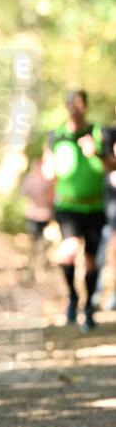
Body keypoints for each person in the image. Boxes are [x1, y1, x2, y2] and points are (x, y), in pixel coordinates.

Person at [42, 90, 107, 332]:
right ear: (66, 106)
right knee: (68, 252)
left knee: (91, 260)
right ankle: (72, 297)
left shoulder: (100, 133)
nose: (74, 108)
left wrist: (96, 153)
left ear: (85, 106)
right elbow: (47, 169)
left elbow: (113, 164)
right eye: (70, 103)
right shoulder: (55, 135)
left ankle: (88, 305)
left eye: (79, 104)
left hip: (94, 206)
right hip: (67, 206)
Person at [20, 150, 55, 284]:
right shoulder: (31, 179)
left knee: (43, 242)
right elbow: (24, 192)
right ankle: (33, 270)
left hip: (46, 215)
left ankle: (41, 267)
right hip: (34, 215)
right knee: (35, 242)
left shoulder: (49, 178)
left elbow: (53, 196)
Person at [94, 108, 116, 311]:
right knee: (103, 248)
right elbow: (108, 164)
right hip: (110, 205)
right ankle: (97, 291)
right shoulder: (108, 134)